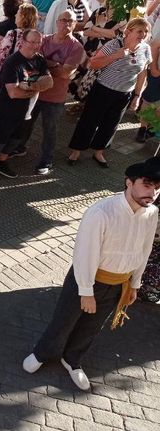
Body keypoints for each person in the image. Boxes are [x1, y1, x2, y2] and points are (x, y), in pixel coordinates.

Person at [22, 158, 160, 391]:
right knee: (64, 321)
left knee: (93, 325)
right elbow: (84, 254)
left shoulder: (151, 213)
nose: (153, 193)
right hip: (87, 279)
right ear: (129, 182)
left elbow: (144, 250)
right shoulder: (101, 212)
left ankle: (72, 359)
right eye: (147, 185)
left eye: (157, 187)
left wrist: (134, 284)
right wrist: (86, 291)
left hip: (119, 283)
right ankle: (43, 353)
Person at [68, 19, 153, 166]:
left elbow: (142, 73)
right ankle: (76, 150)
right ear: (128, 31)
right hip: (103, 90)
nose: (143, 34)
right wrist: (116, 56)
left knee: (111, 124)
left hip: (124, 93)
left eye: (145, 31)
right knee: (89, 120)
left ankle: (99, 151)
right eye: (139, 31)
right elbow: (93, 63)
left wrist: (137, 96)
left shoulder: (145, 49)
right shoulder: (114, 45)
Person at [14, 11, 85, 174]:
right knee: (26, 122)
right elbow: (30, 60)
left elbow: (65, 73)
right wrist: (56, 64)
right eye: (63, 20)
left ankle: (46, 160)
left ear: (74, 25)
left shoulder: (76, 47)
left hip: (55, 96)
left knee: (50, 129)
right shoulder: (44, 40)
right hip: (35, 92)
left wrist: (43, 61)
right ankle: (19, 147)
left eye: (70, 21)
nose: (66, 24)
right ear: (57, 22)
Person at [0, 29, 53, 186]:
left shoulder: (39, 59)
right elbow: (13, 92)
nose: (35, 45)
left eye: (38, 42)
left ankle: (0, 163)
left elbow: (49, 82)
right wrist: (36, 88)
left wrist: (29, 86)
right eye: (31, 42)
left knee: (15, 141)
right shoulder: (13, 62)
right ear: (23, 42)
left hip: (26, 112)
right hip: (7, 111)